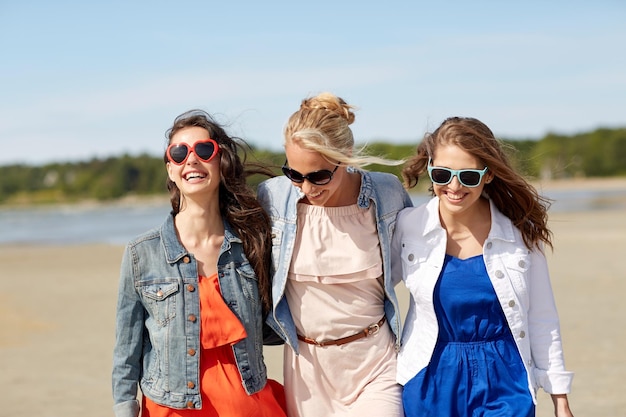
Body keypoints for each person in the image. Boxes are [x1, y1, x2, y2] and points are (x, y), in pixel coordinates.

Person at [392, 116, 575, 416]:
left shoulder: (520, 233)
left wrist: (560, 398)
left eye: (468, 176)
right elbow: (373, 294)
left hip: (507, 380)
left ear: (488, 175)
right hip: (429, 377)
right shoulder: (408, 227)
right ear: (429, 170)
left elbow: (542, 318)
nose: (453, 186)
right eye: (442, 174)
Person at [111, 110, 287, 417]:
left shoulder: (252, 244)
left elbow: (280, 322)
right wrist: (125, 409)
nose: (191, 159)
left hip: (247, 406)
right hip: (171, 410)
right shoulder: (142, 253)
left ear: (222, 162)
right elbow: (127, 351)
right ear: (170, 169)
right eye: (179, 153)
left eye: (204, 150)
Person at [257, 92, 413, 417]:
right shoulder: (273, 197)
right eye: (294, 174)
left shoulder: (386, 193)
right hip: (306, 370)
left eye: (319, 176)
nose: (306, 188)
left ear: (347, 156)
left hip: (375, 362)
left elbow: (420, 257)